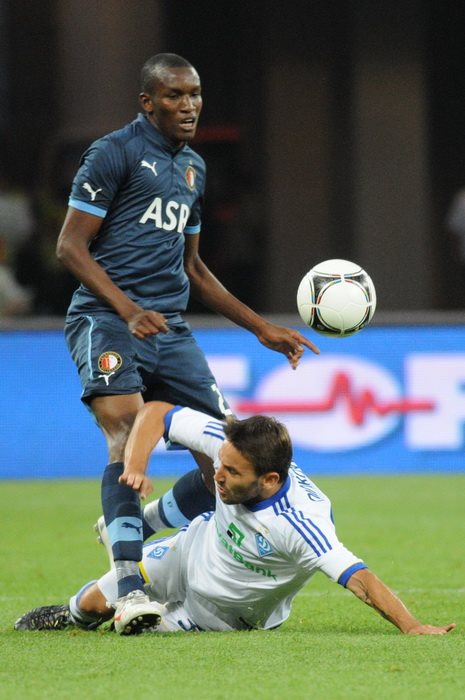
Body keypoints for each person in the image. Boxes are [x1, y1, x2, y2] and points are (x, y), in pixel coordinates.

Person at [55, 53, 319, 625]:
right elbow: (69, 246)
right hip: (107, 318)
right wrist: (127, 309)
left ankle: (136, 522)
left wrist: (261, 327)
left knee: (226, 456)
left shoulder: (194, 167)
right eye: (174, 95)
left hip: (169, 329)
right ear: (147, 102)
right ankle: (130, 588)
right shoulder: (113, 153)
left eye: (195, 94)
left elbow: (194, 269)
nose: (189, 105)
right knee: (127, 430)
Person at [15, 401, 455, 636]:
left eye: (232, 472)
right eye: (219, 464)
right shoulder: (228, 446)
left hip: (222, 615)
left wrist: (413, 626)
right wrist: (136, 464)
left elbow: (359, 578)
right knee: (90, 605)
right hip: (186, 553)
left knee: (132, 633)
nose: (217, 476)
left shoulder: (300, 523)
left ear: (270, 479)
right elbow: (157, 412)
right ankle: (68, 616)